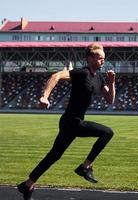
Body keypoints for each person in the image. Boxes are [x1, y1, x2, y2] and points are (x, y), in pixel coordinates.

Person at [17, 43, 115, 200]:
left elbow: (110, 100)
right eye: (99, 58)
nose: (103, 61)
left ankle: (27, 185)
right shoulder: (81, 73)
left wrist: (111, 82)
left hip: (72, 122)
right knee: (107, 132)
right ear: (89, 58)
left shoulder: (99, 78)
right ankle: (85, 167)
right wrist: (45, 97)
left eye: (104, 58)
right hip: (72, 121)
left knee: (54, 155)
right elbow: (55, 76)